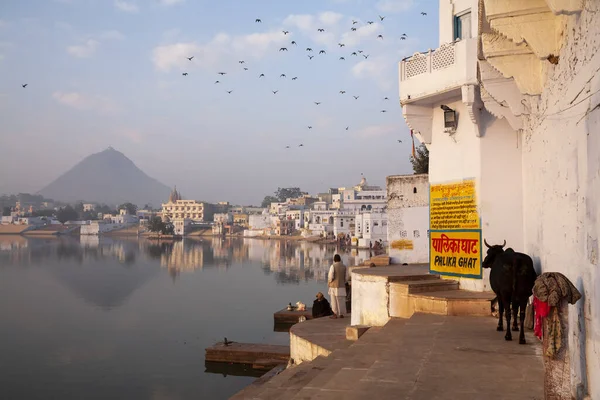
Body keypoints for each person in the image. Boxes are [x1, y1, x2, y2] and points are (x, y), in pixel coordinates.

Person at [328, 254, 349, 318]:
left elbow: (331, 276)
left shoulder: (333, 266)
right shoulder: (344, 266)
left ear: (334, 259)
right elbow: (347, 277)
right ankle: (341, 314)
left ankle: (335, 314)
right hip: (342, 286)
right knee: (341, 300)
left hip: (334, 286)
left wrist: (330, 282)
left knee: (334, 301)